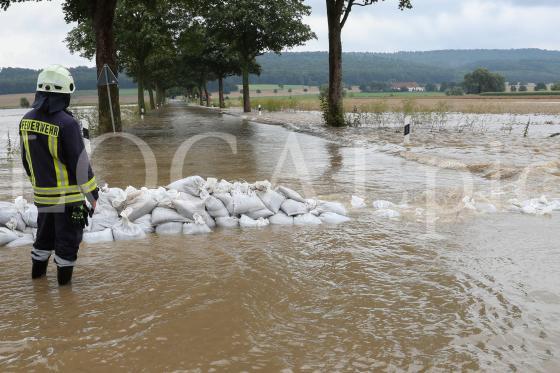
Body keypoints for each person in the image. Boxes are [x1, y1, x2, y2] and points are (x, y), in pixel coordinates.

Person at [19, 65, 98, 286]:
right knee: (67, 243)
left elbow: (26, 160)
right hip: (69, 200)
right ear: (64, 93)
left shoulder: (26, 120)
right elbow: (80, 165)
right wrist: (92, 195)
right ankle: (65, 293)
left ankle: (39, 284)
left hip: (43, 198)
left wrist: (38, 184)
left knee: (43, 239)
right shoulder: (68, 123)